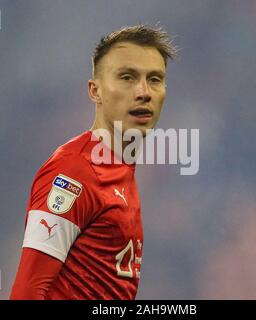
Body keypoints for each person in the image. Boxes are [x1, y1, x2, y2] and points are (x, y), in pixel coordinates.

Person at [10, 25, 177, 299]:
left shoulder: (121, 171)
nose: (144, 92)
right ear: (95, 91)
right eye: (127, 77)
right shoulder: (74, 171)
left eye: (155, 79)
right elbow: (27, 291)